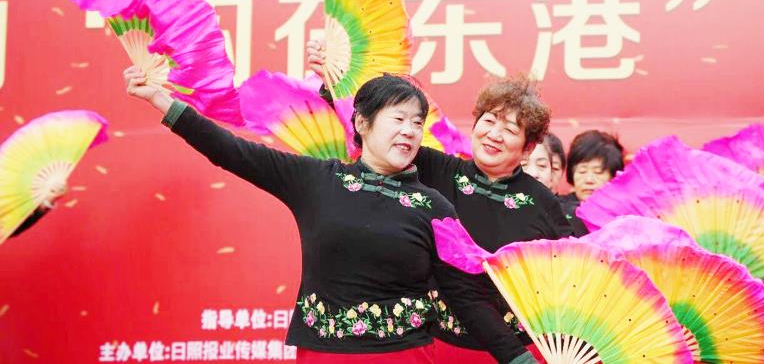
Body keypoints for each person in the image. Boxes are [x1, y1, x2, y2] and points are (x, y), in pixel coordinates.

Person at [124, 67, 534, 364]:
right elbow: (232, 151)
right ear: (362, 123)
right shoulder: (317, 180)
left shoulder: (435, 207)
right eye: (398, 119)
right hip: (323, 353)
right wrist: (161, 100)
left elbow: (465, 296)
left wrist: (520, 359)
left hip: (404, 355)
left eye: (416, 122)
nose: (410, 131)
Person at [306, 40, 572, 363]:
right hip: (438, 346)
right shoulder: (434, 169)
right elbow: (377, 136)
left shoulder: (543, 202)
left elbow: (576, 274)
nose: (494, 134)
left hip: (517, 353)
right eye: (489, 121)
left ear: (528, 148)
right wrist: (333, 84)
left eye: (510, 129)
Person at [559, 130, 625, 237]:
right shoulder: (557, 208)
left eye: (598, 172)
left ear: (613, 177)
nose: (589, 180)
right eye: (582, 171)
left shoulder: (624, 213)